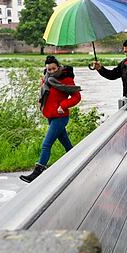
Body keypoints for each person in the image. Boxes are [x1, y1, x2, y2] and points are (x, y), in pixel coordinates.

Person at [20, 55, 82, 183]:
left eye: (54, 68)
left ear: (58, 67)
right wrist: (40, 102)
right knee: (66, 143)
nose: (52, 71)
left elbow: (77, 97)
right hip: (50, 116)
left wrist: (63, 105)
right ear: (46, 69)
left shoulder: (66, 78)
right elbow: (44, 93)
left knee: (46, 144)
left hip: (61, 117)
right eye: (49, 69)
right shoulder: (46, 78)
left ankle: (37, 173)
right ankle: (78, 161)